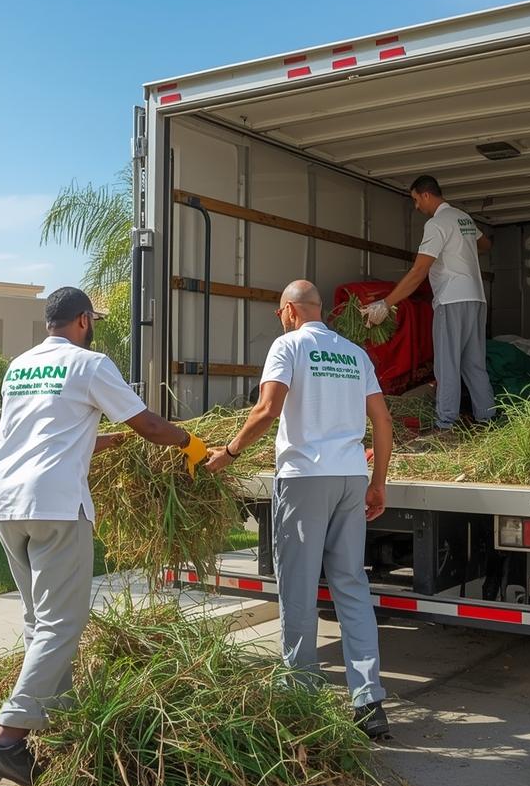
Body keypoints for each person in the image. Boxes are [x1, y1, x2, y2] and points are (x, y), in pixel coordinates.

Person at [0, 286, 209, 786]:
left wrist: (110, 441)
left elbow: (46, 432)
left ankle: (59, 720)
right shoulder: (90, 363)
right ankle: (6, 741)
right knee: (64, 622)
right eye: (93, 319)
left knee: (39, 620)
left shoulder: (19, 365)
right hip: (56, 503)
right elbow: (147, 421)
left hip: (7, 503)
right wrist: (189, 441)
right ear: (83, 320)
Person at [204, 280, 394, 738]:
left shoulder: (287, 346)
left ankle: (302, 700)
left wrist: (229, 452)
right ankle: (369, 703)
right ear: (317, 310)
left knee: (298, 587)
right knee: (351, 585)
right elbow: (382, 419)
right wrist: (378, 482)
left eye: (279, 312)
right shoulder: (353, 353)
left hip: (305, 478)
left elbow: (267, 409)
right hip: (350, 476)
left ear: (290, 310)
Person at [363, 174, 495, 432]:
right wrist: (461, 248)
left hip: (451, 300)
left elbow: (419, 271)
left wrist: (386, 303)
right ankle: (488, 420)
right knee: (474, 364)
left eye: (415, 200)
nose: (416, 207)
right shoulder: (463, 218)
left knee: (447, 364)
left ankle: (445, 425)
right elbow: (485, 244)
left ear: (426, 194)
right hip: (476, 299)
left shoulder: (436, 224)